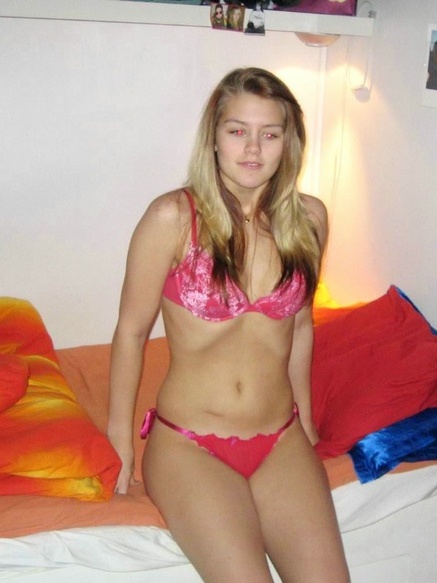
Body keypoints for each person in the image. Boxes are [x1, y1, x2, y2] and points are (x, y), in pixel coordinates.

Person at [107, 67, 350, 583]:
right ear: (214, 137)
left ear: (289, 142)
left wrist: (307, 424)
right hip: (190, 444)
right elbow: (131, 332)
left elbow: (300, 328)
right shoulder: (172, 218)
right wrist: (119, 439)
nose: (253, 148)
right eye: (238, 130)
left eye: (270, 133)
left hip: (280, 439)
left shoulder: (310, 220)